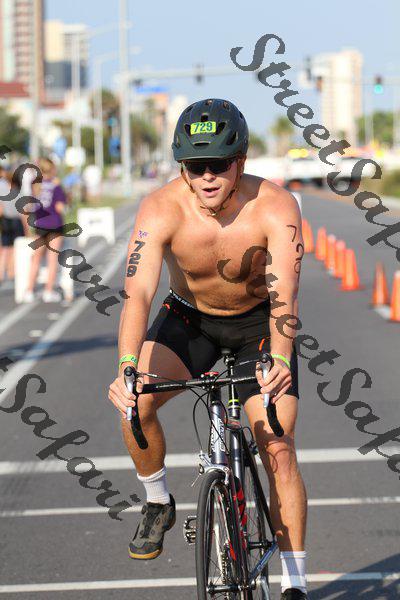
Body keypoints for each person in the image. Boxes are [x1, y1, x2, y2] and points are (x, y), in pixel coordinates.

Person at [108, 99, 308, 599]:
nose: (208, 176)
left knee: (277, 444)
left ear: (240, 161)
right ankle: (158, 501)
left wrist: (281, 358)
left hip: (260, 323)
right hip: (190, 319)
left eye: (218, 164)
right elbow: (138, 292)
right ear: (183, 167)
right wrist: (127, 366)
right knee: (135, 404)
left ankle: (295, 581)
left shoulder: (275, 204)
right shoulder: (161, 208)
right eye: (196, 166)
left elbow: (285, 293)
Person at [23, 157, 68, 303]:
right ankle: (48, 291)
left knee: (36, 258)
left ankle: (29, 290)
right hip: (54, 224)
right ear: (52, 169)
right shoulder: (56, 185)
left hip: (39, 224)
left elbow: (31, 205)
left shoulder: (35, 184)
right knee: (52, 259)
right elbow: (60, 207)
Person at [0, 166, 29, 285]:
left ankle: (1, 272)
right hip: (16, 221)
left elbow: (1, 208)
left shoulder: (2, 188)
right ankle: (12, 272)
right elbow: (24, 212)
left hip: (5, 220)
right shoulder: (18, 192)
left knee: (5, 248)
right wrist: (27, 230)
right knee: (14, 248)